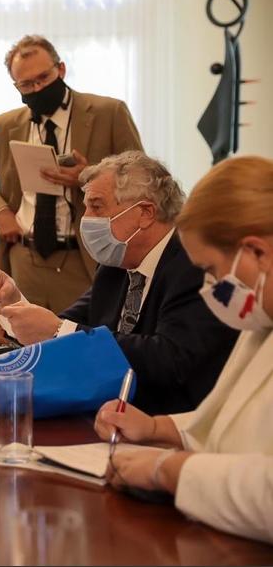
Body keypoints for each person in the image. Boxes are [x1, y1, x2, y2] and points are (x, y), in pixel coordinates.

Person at [95, 155, 273, 545]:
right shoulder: (261, 317)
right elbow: (237, 423)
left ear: (257, 253)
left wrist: (168, 470)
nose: (209, 286)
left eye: (211, 269)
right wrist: (159, 429)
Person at [0, 152, 238, 414]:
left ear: (145, 213)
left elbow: (169, 360)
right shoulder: (116, 263)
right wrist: (14, 303)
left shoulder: (194, 264)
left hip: (168, 424)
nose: (86, 219)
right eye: (85, 207)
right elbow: (67, 324)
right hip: (108, 414)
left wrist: (58, 330)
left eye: (97, 206)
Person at [0, 34, 144, 313]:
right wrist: (0, 214)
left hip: (85, 257)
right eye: (26, 84)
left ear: (61, 69)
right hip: (24, 259)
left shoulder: (110, 112)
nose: (37, 87)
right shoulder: (6, 124)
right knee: (22, 346)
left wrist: (88, 178)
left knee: (80, 345)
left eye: (44, 78)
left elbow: (141, 178)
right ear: (16, 85)